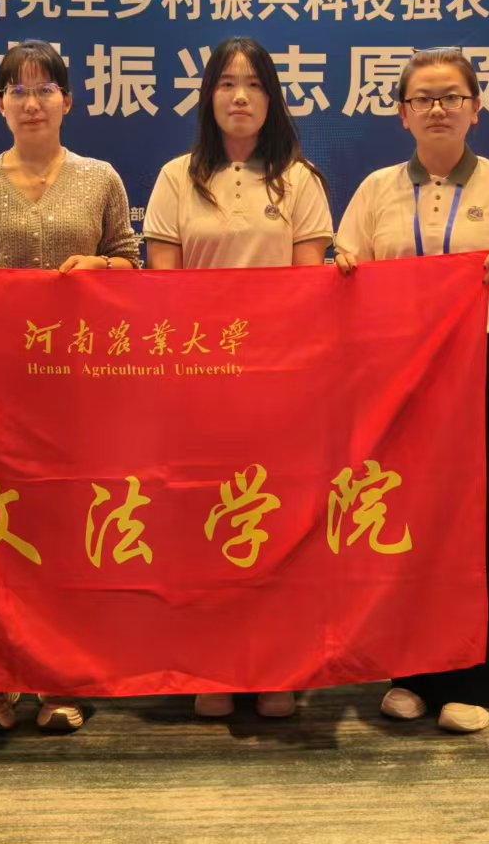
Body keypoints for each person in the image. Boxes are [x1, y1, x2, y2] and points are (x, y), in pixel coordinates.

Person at [334, 47, 489, 734]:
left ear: (475, 109)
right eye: (423, 98)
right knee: (405, 518)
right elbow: (346, 267)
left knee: (485, 521)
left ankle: (479, 680)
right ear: (401, 114)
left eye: (451, 96)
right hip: (401, 373)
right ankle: (412, 673)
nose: (438, 109)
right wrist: (344, 266)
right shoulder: (376, 190)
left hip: (482, 362)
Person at [0, 40, 140, 735]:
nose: (31, 102)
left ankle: (61, 678)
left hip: (80, 387)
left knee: (65, 532)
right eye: (17, 90)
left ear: (68, 101)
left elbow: (132, 265)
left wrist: (101, 269)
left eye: (44, 89)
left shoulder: (101, 178)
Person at [143, 36, 333, 719]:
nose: (241, 96)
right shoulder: (176, 178)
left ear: (272, 98)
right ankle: (213, 665)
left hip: (279, 382)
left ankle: (277, 667)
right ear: (208, 97)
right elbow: (162, 286)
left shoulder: (300, 180)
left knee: (278, 521)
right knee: (203, 520)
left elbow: (310, 287)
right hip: (201, 381)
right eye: (226, 83)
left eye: (254, 84)